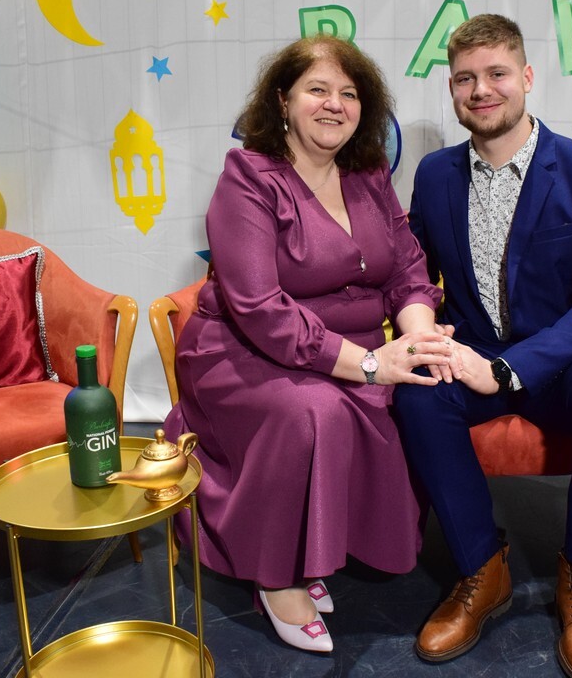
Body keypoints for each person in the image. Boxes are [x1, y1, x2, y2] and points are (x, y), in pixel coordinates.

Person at [162, 34, 453, 653]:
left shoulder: (369, 174)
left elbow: (407, 269)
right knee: (312, 410)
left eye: (349, 93)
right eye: (317, 89)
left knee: (425, 393)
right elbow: (259, 310)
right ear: (282, 100)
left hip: (352, 351)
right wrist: (370, 365)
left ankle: (320, 543)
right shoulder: (247, 178)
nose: (334, 104)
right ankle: (277, 575)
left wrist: (419, 337)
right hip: (241, 352)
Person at [393, 14, 572, 678]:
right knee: (417, 396)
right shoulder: (435, 175)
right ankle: (482, 569)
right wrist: (418, 330)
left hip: (566, 360)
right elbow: (414, 273)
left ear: (527, 77)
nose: (481, 90)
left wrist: (508, 370)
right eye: (465, 79)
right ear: (452, 89)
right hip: (472, 348)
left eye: (497, 73)